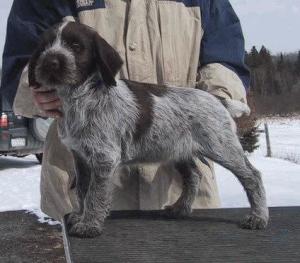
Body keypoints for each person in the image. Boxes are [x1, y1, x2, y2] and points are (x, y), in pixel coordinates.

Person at [1, 0, 250, 221]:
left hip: (183, 199)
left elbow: (224, 58)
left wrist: (218, 102)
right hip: (76, 198)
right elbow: (19, 64)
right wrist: (35, 89)